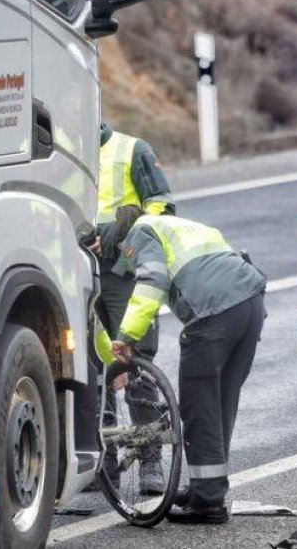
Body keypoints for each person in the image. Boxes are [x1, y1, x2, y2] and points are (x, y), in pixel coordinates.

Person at [102, 205, 265, 524]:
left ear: (122, 242)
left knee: (198, 405)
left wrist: (126, 337)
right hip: (251, 305)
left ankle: (207, 503)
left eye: (125, 255)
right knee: (220, 402)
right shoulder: (185, 227)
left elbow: (151, 280)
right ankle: (207, 488)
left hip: (213, 315)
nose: (128, 261)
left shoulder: (141, 232)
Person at [94, 122, 175, 492]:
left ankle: (150, 464)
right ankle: (102, 462)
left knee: (135, 361)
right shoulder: (54, 152)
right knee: (93, 369)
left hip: (121, 273)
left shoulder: (131, 149)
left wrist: (115, 237)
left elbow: (161, 208)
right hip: (73, 271)